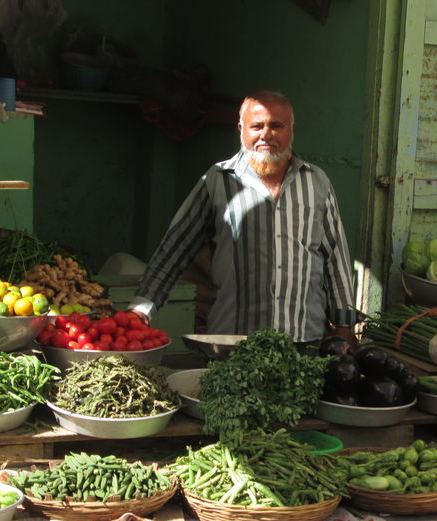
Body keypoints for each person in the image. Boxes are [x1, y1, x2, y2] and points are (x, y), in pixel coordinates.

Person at [127, 90, 359, 349]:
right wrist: (141, 309)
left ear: (292, 129)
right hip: (232, 340)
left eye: (277, 126)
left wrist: (344, 325)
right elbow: (175, 249)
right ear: (241, 129)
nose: (266, 135)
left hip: (304, 340)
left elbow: (335, 257)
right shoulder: (218, 180)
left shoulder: (316, 181)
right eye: (257, 126)